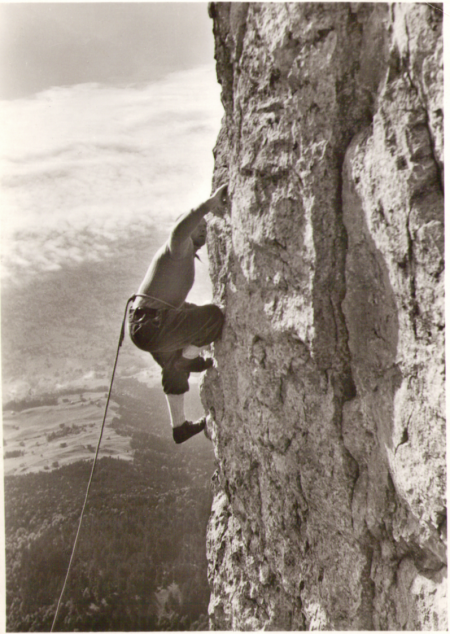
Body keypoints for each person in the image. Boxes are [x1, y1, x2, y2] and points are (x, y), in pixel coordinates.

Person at [128, 185, 227, 444]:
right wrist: (208, 205)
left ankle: (180, 427)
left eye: (206, 226)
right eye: (199, 225)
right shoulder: (178, 246)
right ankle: (187, 359)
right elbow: (179, 230)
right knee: (213, 317)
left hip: (147, 325)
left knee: (175, 361)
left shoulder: (183, 257)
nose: (204, 228)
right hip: (152, 324)